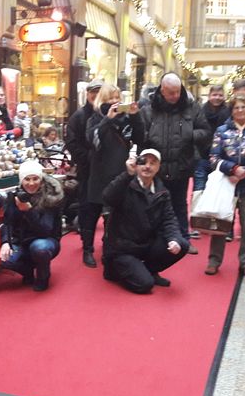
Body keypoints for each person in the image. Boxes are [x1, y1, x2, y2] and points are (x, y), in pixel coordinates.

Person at [102, 149, 189, 294]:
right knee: (145, 285)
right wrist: (127, 174)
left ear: (158, 167)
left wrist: (173, 239)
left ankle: (148, 269)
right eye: (143, 162)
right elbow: (108, 197)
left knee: (183, 244)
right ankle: (114, 268)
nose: (147, 166)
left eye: (153, 163)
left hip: (146, 245)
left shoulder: (163, 191)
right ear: (136, 164)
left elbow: (169, 219)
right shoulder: (125, 183)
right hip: (122, 248)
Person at [141, 73, 211, 255]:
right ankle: (157, 239)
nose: (175, 96)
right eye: (170, 92)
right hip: (156, 167)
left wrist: (190, 135)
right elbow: (140, 137)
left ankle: (184, 240)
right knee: (155, 204)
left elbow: (205, 132)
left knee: (179, 203)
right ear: (162, 90)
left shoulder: (191, 107)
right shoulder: (149, 109)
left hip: (181, 165)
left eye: (178, 92)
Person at [204, 93, 245, 277]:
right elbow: (213, 158)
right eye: (236, 107)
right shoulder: (222, 130)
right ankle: (214, 260)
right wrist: (232, 169)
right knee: (220, 223)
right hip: (226, 184)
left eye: (244, 107)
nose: (240, 110)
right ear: (231, 110)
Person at [82, 83, 145, 267]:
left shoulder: (125, 119)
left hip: (120, 173)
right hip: (99, 172)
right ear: (103, 100)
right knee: (92, 213)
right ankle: (87, 249)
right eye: (111, 98)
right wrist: (107, 119)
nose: (115, 101)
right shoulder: (94, 119)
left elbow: (140, 139)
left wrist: (136, 116)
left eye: (117, 97)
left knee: (116, 215)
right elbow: (94, 141)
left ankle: (110, 247)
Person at [0, 160, 64, 291]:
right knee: (5, 259)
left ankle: (43, 276)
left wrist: (28, 211)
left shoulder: (50, 197)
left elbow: (45, 230)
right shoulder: (14, 196)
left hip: (46, 241)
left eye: (35, 179)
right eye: (27, 179)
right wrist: (5, 242)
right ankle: (28, 271)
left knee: (40, 248)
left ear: (41, 179)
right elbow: (7, 222)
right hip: (22, 241)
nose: (31, 183)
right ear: (21, 181)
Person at [65, 79, 102, 261]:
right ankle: (87, 247)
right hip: (88, 171)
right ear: (87, 94)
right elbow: (71, 143)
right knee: (88, 209)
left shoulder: (109, 113)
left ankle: (109, 244)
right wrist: (88, 158)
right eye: (93, 92)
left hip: (108, 170)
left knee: (110, 210)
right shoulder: (78, 116)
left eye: (99, 92)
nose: (95, 96)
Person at [194, 84, 230, 193]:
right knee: (199, 189)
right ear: (209, 96)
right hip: (202, 156)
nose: (217, 98)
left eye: (220, 95)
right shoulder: (200, 111)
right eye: (214, 95)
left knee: (218, 191)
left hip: (221, 157)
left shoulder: (228, 112)